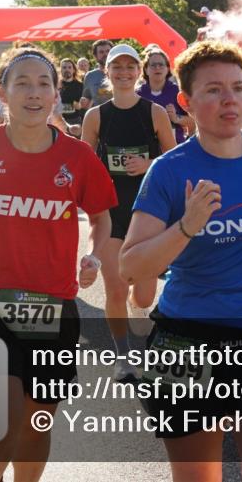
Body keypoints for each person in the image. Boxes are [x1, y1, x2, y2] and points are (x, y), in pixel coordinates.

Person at [119, 39, 242, 482]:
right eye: (213, 90)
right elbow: (131, 266)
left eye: (236, 87)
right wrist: (186, 226)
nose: (229, 99)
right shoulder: (170, 171)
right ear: (186, 101)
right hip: (186, 344)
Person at [0, 46, 115, 482]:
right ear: (2, 92)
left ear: (55, 95)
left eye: (44, 84)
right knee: (4, 412)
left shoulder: (77, 158)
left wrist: (92, 254)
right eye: (22, 84)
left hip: (51, 304)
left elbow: (102, 217)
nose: (34, 93)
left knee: (38, 419)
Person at [80, 44, 176, 381]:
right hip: (110, 213)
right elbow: (83, 164)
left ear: (140, 71)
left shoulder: (154, 112)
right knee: (115, 289)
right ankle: (123, 356)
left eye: (129, 67)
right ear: (106, 72)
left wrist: (148, 163)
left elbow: (173, 160)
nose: (123, 73)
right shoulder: (96, 116)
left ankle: (141, 304)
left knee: (144, 294)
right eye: (116, 67)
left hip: (148, 213)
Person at [137, 47, 191, 145]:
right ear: (146, 69)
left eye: (161, 65)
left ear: (167, 69)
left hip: (174, 149)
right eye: (153, 65)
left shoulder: (177, 91)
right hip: (147, 149)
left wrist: (176, 118)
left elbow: (193, 121)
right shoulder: (138, 94)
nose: (157, 68)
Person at [79, 39, 114, 110]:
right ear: (95, 56)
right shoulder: (90, 76)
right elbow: (86, 100)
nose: (105, 54)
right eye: (101, 52)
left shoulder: (122, 73)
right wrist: (83, 102)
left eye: (108, 51)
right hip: (99, 118)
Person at [57, 58, 85, 134]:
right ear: (60, 70)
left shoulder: (80, 85)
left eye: (69, 67)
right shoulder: (55, 85)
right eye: (64, 67)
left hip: (75, 120)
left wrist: (80, 105)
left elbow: (81, 105)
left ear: (74, 70)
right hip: (58, 120)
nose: (67, 70)